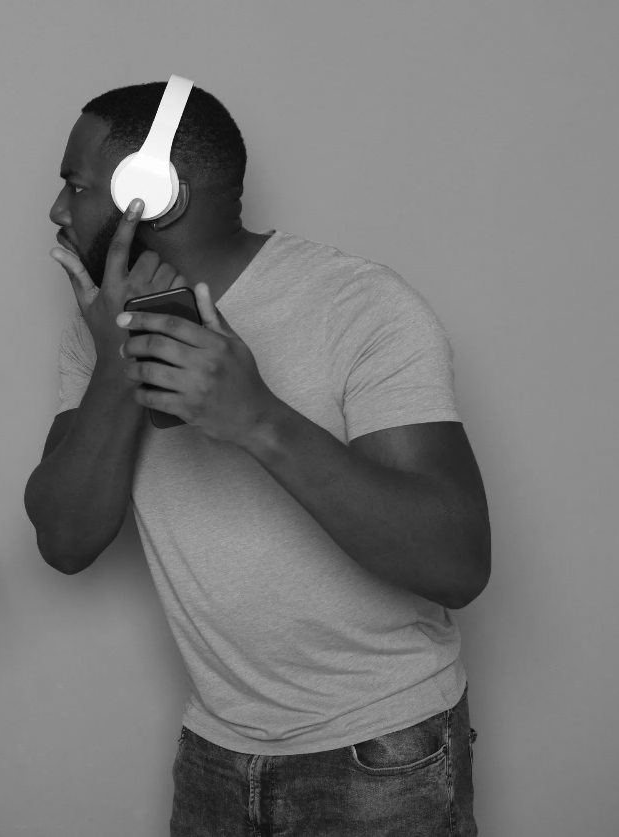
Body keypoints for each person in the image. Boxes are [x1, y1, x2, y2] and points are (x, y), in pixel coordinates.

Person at [24, 81, 489, 836]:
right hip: (216, 754)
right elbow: (65, 540)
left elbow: (458, 563)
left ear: (154, 192)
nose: (56, 209)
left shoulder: (360, 305)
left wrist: (259, 419)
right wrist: (116, 363)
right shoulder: (100, 329)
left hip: (385, 754)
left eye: (75, 186)